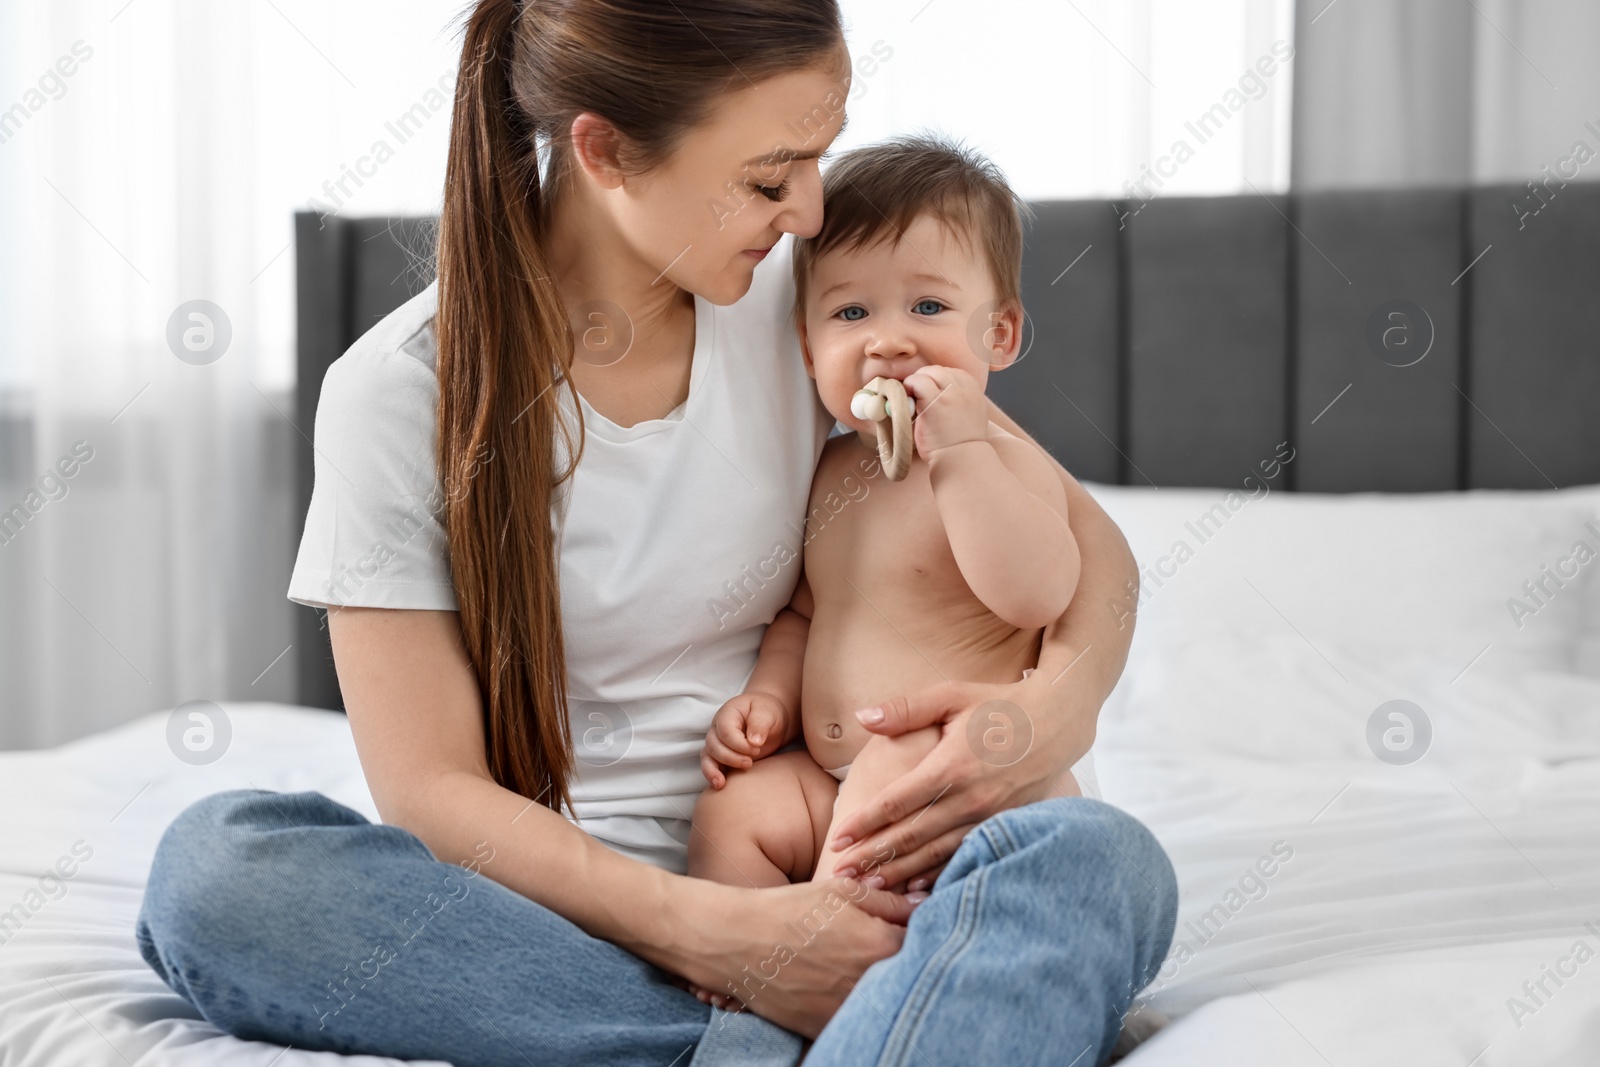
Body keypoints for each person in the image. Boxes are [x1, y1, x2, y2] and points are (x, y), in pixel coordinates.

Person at [134, 2, 1177, 1064]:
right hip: (577, 932)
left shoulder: (826, 307)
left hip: (851, 871)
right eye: (772, 178)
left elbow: (1091, 547)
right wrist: (725, 937)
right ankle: (833, 1025)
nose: (812, 212)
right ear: (607, 150)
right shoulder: (400, 393)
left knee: (1096, 859)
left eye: (818, 160)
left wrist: (1054, 708)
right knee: (218, 875)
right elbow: (430, 791)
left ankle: (793, 1028)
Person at [689, 137, 1098, 908]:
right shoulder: (830, 470)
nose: (888, 339)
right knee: (735, 808)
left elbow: (1039, 594)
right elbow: (807, 613)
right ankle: (741, 965)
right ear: (809, 349)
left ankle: (831, 944)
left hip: (966, 769)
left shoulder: (1002, 462)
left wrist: (963, 453)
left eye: (930, 306)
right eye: (851, 311)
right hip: (827, 773)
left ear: (999, 335)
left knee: (889, 766)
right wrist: (769, 702)